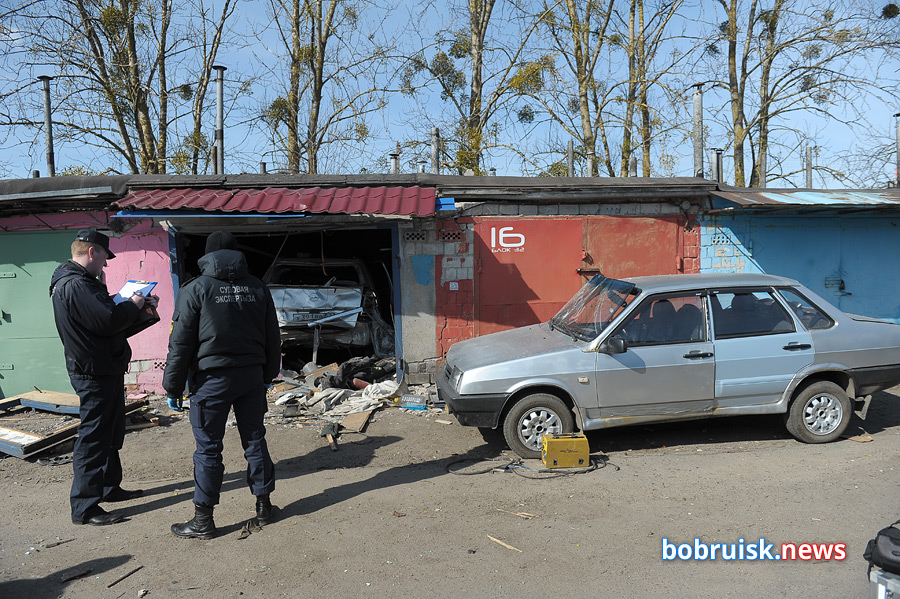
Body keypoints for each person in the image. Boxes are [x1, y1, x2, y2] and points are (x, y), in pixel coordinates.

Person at [163, 231, 281, 539]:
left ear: (207, 256)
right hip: (251, 377)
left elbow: (180, 342)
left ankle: (203, 520)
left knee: (208, 449)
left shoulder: (195, 288)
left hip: (210, 381)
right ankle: (264, 506)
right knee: (255, 440)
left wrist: (172, 387)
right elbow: (273, 337)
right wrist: (268, 375)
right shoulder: (257, 287)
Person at [50, 229, 157, 526]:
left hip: (101, 367)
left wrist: (142, 310)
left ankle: (109, 488)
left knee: (109, 431)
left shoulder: (75, 284)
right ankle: (85, 507)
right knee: (94, 437)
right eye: (104, 258)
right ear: (92, 252)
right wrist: (133, 304)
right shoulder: (77, 285)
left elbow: (105, 323)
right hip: (93, 371)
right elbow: (110, 319)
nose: (106, 266)